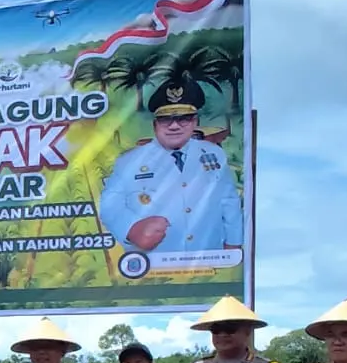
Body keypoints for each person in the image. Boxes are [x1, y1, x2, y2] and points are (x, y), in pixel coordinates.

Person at [99, 77, 243, 255]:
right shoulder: (129, 161)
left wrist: (234, 244)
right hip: (156, 264)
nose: (174, 126)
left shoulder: (214, 154)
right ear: (155, 124)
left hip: (208, 257)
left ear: (195, 121)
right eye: (166, 119)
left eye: (184, 118)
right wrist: (131, 229)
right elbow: (110, 205)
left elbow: (229, 202)